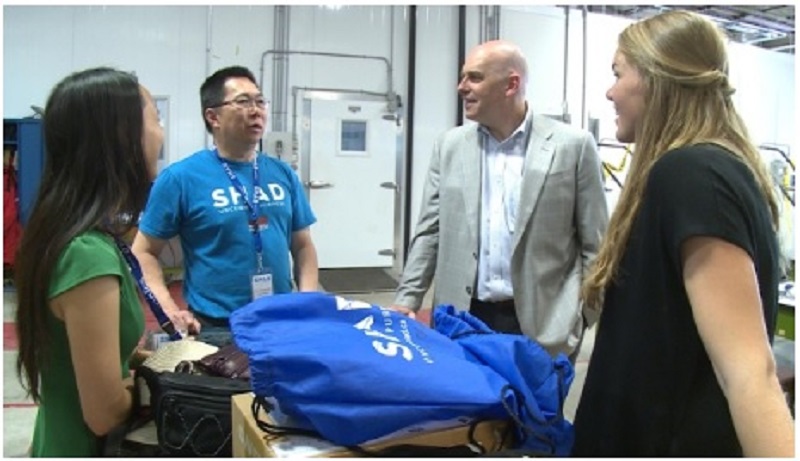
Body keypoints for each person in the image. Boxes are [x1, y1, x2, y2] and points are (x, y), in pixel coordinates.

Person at [572, 10, 794, 457]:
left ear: (656, 77)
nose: (610, 91)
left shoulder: (692, 174)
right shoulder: (702, 171)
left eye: (618, 74)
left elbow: (750, 373)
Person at [390, 40, 609, 359]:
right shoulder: (450, 146)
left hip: (542, 327)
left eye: (474, 77)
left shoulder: (571, 146)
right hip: (462, 322)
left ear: (511, 84)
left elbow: (597, 245)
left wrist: (579, 318)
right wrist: (407, 299)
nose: (461, 87)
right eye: (462, 77)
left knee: (536, 411)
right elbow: (430, 232)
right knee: (463, 409)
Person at [14, 67, 163, 456]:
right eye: (156, 119)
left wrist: (161, 360)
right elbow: (104, 412)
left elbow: (96, 350)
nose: (161, 136)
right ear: (121, 137)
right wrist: (156, 386)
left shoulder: (72, 235)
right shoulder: (86, 254)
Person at [132, 66, 318, 332]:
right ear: (213, 116)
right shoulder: (181, 178)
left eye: (260, 101)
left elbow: (303, 246)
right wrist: (168, 308)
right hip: (216, 326)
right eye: (243, 101)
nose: (256, 110)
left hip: (281, 320)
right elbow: (144, 251)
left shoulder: (282, 174)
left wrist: (306, 298)